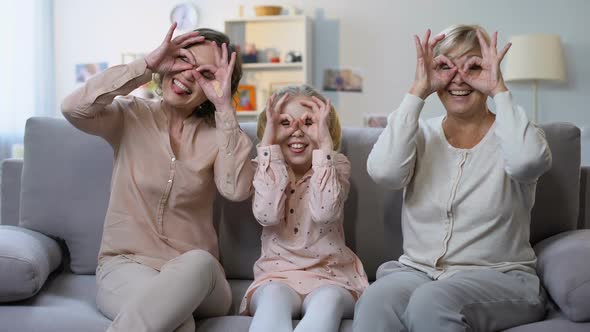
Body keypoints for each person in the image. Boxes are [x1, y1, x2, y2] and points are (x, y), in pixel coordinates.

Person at [353, 25, 552, 332]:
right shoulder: (418, 135)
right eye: (446, 66)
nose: (459, 78)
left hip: (499, 278)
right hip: (418, 273)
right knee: (375, 300)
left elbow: (528, 163)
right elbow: (385, 172)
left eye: (473, 66)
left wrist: (498, 90)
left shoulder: (518, 136)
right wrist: (418, 90)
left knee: (431, 302)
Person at [61, 23, 254, 332]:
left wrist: (224, 109)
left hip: (201, 279)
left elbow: (235, 189)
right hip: (126, 266)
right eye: (184, 59)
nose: (189, 74)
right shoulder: (128, 116)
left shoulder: (223, 135)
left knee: (199, 262)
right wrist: (146, 65)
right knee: (179, 325)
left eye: (205, 74)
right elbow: (73, 108)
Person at [241, 85, 369, 332]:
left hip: (332, 276)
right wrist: (268, 144)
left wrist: (323, 146)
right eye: (285, 123)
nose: (297, 132)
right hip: (276, 276)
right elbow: (266, 215)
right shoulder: (264, 167)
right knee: (272, 299)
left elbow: (325, 212)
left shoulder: (335, 166)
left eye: (308, 122)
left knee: (327, 301)